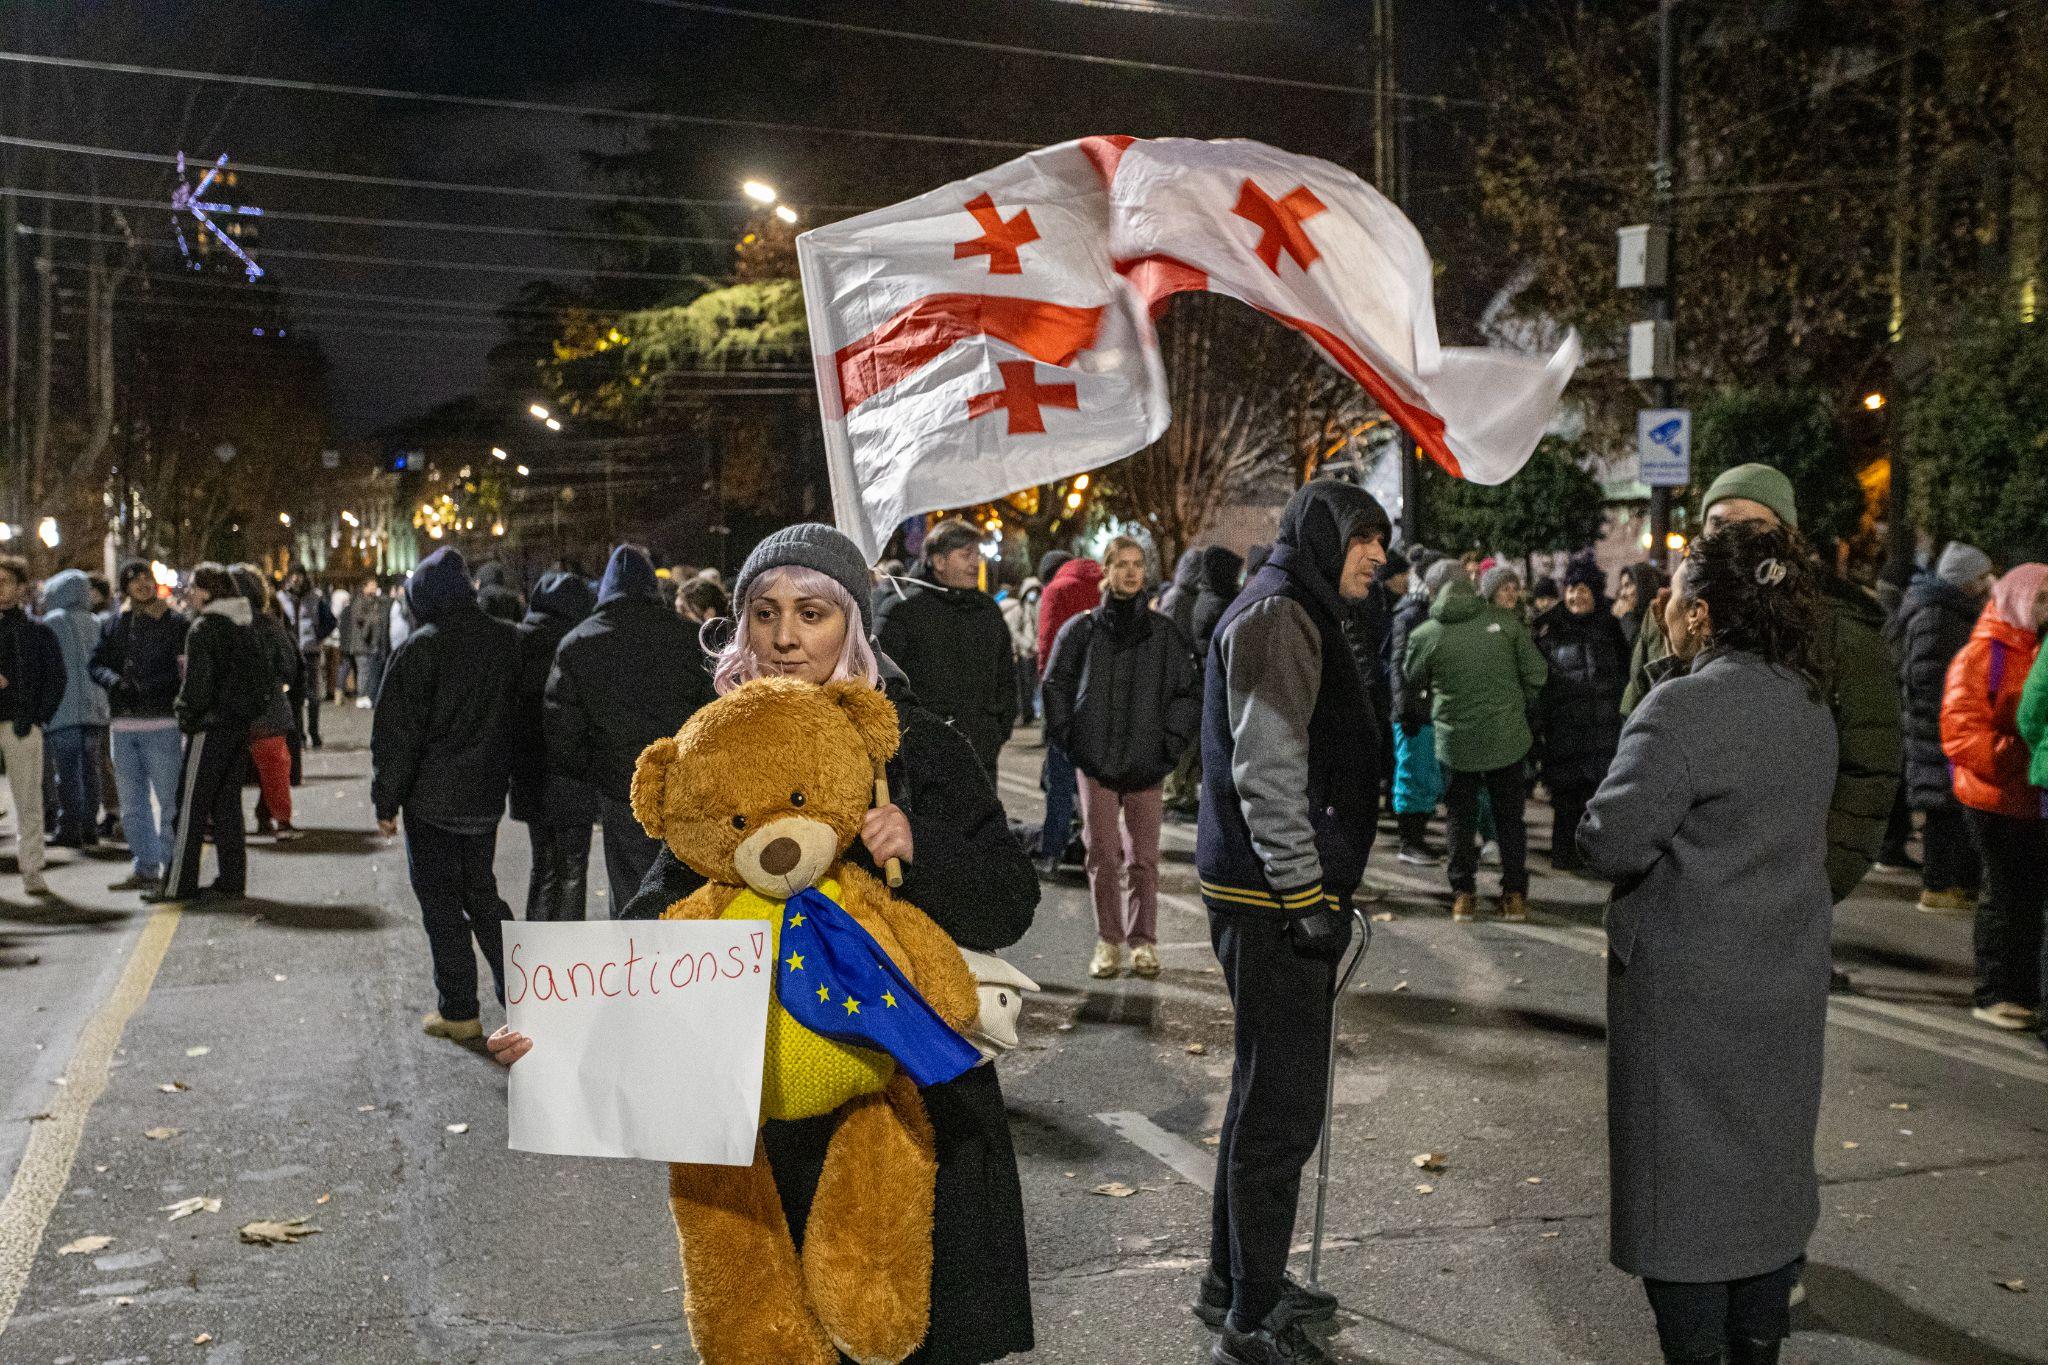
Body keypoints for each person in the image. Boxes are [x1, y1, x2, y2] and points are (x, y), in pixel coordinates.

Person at [498, 522, 1041, 1365]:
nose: (787, 637)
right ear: (739, 625)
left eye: (813, 612)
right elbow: (656, 921)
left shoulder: (916, 745)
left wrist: (920, 843)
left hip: (914, 1108)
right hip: (767, 1116)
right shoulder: (714, 750)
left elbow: (1010, 901)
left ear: (852, 624)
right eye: (765, 612)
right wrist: (558, 1033)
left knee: (910, 1332)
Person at [1578, 521, 1838, 1365]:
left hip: (1687, 995)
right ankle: (1758, 1342)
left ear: (1699, 611)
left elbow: (1610, 838)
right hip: (1783, 976)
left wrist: (1664, 679)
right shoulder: (1805, 700)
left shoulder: (1683, 707)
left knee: (1683, 1201)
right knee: (1766, 1176)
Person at [1195, 481, 1387, 1365]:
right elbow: (1267, 767)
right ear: (1321, 538)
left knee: (1259, 1092)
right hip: (1271, 900)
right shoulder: (1277, 617)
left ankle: (1233, 1278)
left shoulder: (1288, 606)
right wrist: (1308, 894)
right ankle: (1253, 1312)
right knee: (1279, 1110)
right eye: (1362, 539)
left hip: (1263, 892)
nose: (1378, 556)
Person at [1623, 464, 1901, 912]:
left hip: (1784, 893)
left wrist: (1819, 883)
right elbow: (1636, 739)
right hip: (1678, 889)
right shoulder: (1671, 612)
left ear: (1785, 537)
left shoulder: (1840, 628)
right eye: (1717, 523)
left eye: (1752, 525)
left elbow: (1869, 770)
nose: (1730, 536)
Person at [371, 548, 521, 1041]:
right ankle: (523, 999)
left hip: (432, 801)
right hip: (483, 797)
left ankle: (459, 1009)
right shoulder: (505, 642)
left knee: (440, 903)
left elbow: (397, 734)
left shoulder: (421, 648)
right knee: (482, 893)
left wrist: (386, 801)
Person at [1042, 535, 1201, 981]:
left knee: (1144, 858)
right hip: (1096, 764)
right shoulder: (1083, 630)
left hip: (1147, 765)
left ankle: (1143, 941)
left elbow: (1188, 694)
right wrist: (1073, 741)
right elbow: (1055, 685)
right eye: (1122, 564)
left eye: (1138, 565)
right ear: (1107, 572)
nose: (1131, 572)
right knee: (1102, 853)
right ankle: (1109, 941)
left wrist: (1168, 746)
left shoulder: (1165, 634)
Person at [546, 544, 716, 913]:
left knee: (630, 891)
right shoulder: (688, 640)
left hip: (621, 791)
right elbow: (712, 715)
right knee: (688, 885)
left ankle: (638, 966)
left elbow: (563, 734)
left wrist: (600, 773)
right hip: (683, 786)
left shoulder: (577, 645)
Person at [1405, 560, 1548, 922]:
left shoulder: (1426, 634)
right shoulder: (1506, 626)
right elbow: (1537, 673)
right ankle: (1514, 894)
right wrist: (1516, 702)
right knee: (1510, 819)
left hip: (1456, 742)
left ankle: (1463, 895)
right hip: (1506, 737)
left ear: (1436, 591)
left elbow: (1412, 677)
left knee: (1459, 819)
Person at [1940, 562, 2048, 1034]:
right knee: (2003, 895)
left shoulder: (2038, 647)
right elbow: (1960, 733)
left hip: (2030, 796)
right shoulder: (1983, 654)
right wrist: (2016, 756)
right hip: (1992, 798)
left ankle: (2021, 991)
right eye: (2042, 597)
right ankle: (1995, 992)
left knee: (2027, 898)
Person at [1888, 542, 1994, 912]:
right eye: (1982, 577)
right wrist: (1948, 722)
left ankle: (1950, 884)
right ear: (1965, 581)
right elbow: (1927, 676)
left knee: (1950, 808)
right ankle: (1938, 886)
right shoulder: (1939, 615)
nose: (1987, 584)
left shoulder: (1948, 611)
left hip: (1941, 726)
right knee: (1943, 809)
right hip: (1937, 729)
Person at [159, 563, 271, 903]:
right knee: (227, 806)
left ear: (207, 592)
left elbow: (198, 684)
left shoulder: (204, 628)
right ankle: (232, 879)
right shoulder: (245, 624)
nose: (189, 594)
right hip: (238, 726)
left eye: (194, 587)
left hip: (209, 726)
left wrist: (186, 714)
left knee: (190, 806)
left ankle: (179, 884)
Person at [873, 518, 1016, 778]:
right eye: (966, 555)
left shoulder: (988, 611)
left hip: (979, 754)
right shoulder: (902, 610)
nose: (976, 564)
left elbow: (1006, 676)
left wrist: (995, 731)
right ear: (939, 562)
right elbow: (881, 682)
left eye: (977, 555)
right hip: (920, 760)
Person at [90, 560, 190, 890]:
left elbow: (181, 673)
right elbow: (96, 664)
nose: (142, 585)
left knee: (169, 801)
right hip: (123, 725)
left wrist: (150, 687)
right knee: (132, 805)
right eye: (134, 581)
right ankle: (145, 866)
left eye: (146, 577)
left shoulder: (175, 623)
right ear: (125, 588)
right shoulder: (115, 624)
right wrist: (113, 681)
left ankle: (173, 866)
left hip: (161, 722)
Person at [511, 571, 599, 921]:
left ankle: (535, 956)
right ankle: (566, 962)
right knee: (574, 869)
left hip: (531, 770)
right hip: (574, 773)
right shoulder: (582, 643)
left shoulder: (519, 641)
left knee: (543, 866)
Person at [1532, 559, 1629, 872]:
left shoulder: (1612, 627)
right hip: (1564, 729)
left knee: (1597, 797)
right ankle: (1563, 854)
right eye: (1572, 589)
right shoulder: (1550, 627)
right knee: (1565, 798)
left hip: (1602, 728)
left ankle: (1592, 856)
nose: (1576, 597)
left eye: (1583, 589)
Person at [1034, 549, 1103, 873]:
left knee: (1060, 778)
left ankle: (1053, 850)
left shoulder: (1056, 591)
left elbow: (1047, 645)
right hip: (1103, 697)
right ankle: (1099, 853)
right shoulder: (1105, 583)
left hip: (1067, 696)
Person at [0, 556, 62, 895]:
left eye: (5, 581)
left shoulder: (37, 633)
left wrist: (38, 717)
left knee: (28, 802)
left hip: (21, 725)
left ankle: (32, 868)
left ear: (22, 588)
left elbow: (56, 679)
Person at [1389, 554, 1456, 866]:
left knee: (1426, 778)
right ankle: (1409, 841)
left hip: (1428, 709)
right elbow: (1398, 666)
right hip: (1414, 712)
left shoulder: (1426, 614)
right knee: (1412, 776)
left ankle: (1416, 839)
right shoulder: (1411, 615)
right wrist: (1404, 709)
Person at [39, 569, 110, 849]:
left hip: (62, 708)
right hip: (94, 707)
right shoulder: (96, 622)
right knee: (90, 770)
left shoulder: (51, 623)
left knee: (66, 773)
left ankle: (69, 827)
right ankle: (89, 826)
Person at [231, 566, 302, 841]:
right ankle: (276, 816)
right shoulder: (268, 624)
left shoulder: (215, 624)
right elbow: (287, 663)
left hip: (230, 708)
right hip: (267, 705)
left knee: (226, 769)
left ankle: (222, 820)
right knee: (273, 766)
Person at [277, 567, 335, 750]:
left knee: (313, 695)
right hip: (291, 653)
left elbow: (330, 620)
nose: (296, 579)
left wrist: (318, 636)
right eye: (293, 575)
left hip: (310, 651)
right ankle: (298, 734)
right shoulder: (281, 599)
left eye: (299, 575)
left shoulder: (315, 598)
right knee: (294, 697)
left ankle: (314, 732)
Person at [342, 575, 393, 708]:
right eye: (372, 585)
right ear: (364, 587)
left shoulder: (373, 601)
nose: (374, 587)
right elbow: (361, 619)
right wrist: (374, 617)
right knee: (363, 670)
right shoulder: (360, 601)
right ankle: (361, 696)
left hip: (368, 644)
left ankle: (365, 695)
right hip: (361, 644)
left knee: (368, 671)